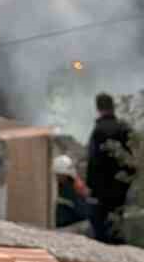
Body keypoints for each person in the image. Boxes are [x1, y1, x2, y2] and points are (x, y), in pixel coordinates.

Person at [85, 92, 136, 245]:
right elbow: (132, 159)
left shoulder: (99, 131)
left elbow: (93, 161)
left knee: (101, 229)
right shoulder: (124, 129)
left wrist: (91, 187)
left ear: (98, 108)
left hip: (102, 189)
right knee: (117, 221)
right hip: (121, 186)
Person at [53, 153, 90, 229]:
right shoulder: (59, 187)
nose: (57, 177)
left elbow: (83, 212)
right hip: (61, 226)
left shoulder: (75, 188)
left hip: (73, 226)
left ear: (65, 174)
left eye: (58, 174)